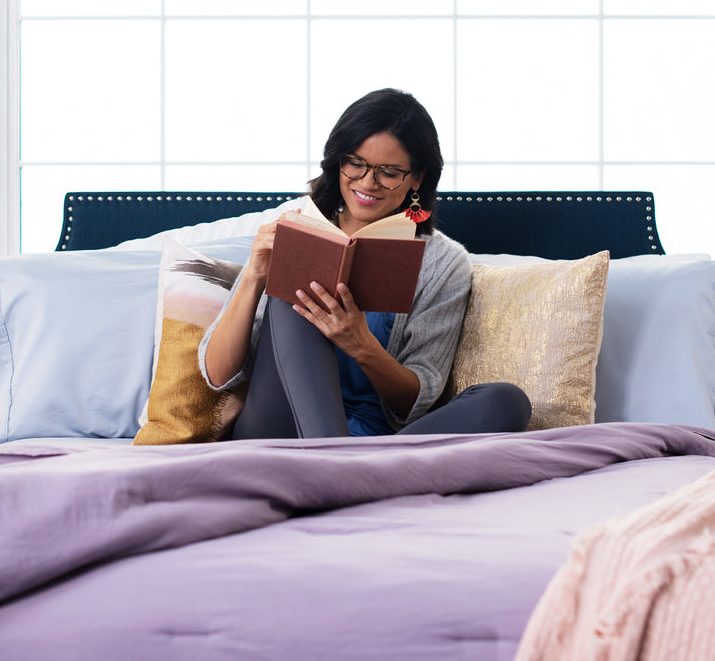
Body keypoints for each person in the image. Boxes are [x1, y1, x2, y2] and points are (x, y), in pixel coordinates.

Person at [199, 88, 531, 439]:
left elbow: (414, 403)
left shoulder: (443, 263)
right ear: (337, 160)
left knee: (506, 401)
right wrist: (254, 275)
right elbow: (218, 376)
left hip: (376, 439)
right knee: (293, 293)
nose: (367, 182)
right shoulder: (294, 225)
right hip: (280, 427)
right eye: (355, 163)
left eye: (389, 172)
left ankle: (352, 471)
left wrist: (360, 343)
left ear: (417, 178)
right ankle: (340, 464)